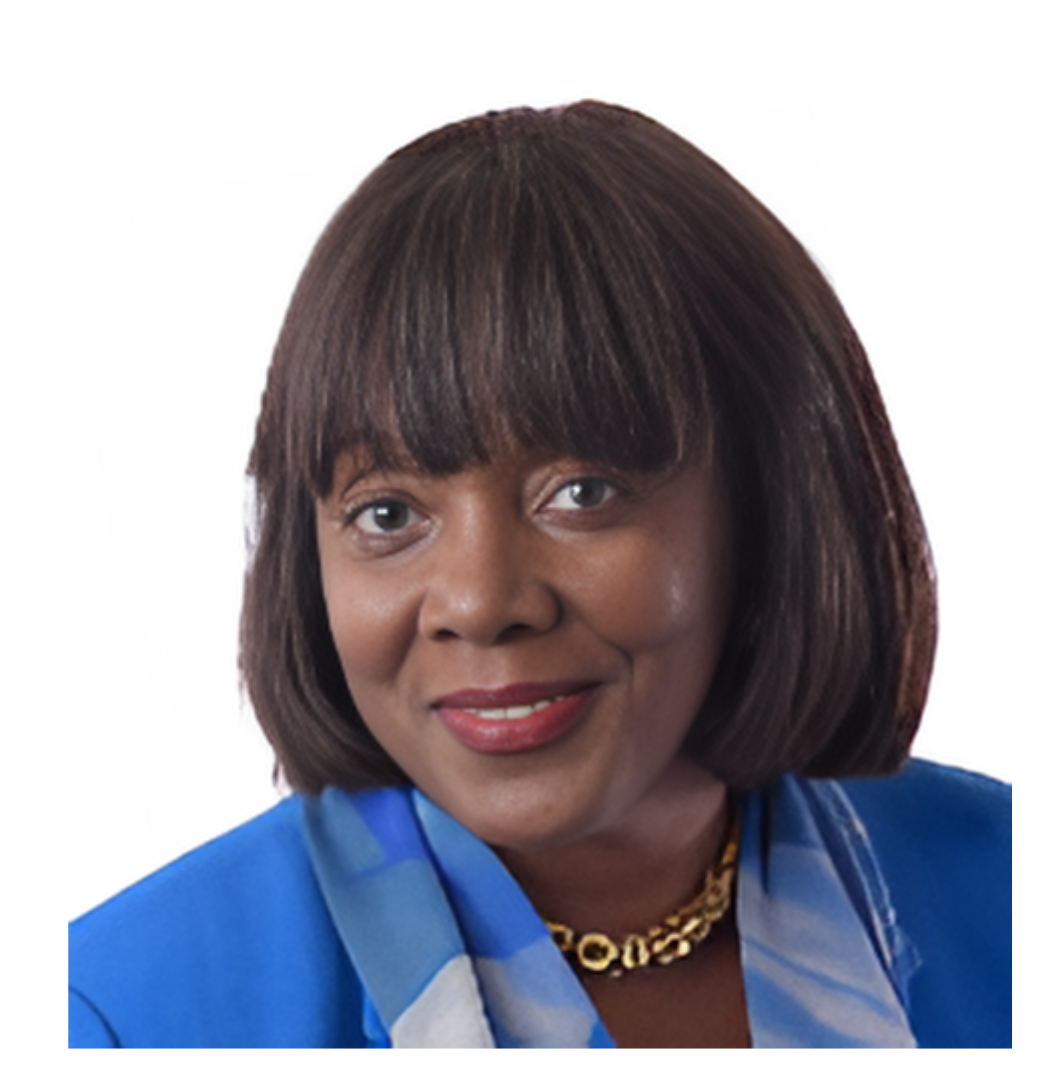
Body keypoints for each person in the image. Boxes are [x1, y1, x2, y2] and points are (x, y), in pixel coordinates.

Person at [68, 101, 1010, 1055]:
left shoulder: (1040, 907)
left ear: (776, 508)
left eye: (583, 493)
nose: (479, 602)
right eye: (387, 514)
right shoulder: (119, 1016)